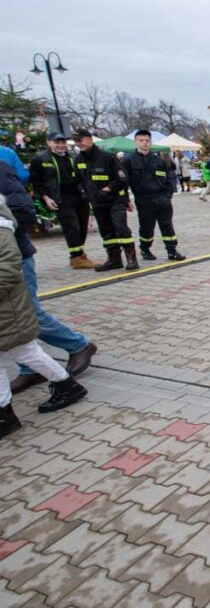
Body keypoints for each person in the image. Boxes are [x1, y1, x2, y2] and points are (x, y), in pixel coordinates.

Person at [0, 161, 97, 392]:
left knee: (25, 314)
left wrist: (5, 235)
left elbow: (23, 211)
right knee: (11, 321)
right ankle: (30, 368)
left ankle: (78, 345)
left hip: (12, 258)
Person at [0, 192, 89, 438]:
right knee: (14, 352)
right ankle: (4, 411)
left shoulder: (1, 226)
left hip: (7, 306)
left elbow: (8, 267)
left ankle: (66, 384)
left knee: (24, 350)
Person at [72, 130, 138, 272]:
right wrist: (84, 192)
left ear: (89, 139)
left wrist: (109, 188)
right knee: (106, 232)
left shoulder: (107, 157)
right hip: (97, 202)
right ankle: (114, 260)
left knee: (121, 228)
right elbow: (78, 181)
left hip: (115, 200)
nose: (79, 144)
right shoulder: (78, 160)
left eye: (81, 140)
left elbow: (122, 178)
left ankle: (131, 259)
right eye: (76, 141)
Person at [28, 132, 97, 269]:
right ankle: (77, 258)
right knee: (72, 227)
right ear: (49, 142)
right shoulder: (41, 159)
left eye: (63, 142)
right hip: (59, 198)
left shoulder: (74, 157)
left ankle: (78, 254)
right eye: (57, 142)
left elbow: (83, 176)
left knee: (82, 227)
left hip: (78, 196)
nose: (60, 145)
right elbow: (36, 182)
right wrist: (46, 198)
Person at [123, 130, 186, 262]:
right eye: (141, 140)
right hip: (144, 200)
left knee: (167, 226)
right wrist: (126, 199)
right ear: (136, 142)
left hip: (162, 199)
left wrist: (168, 195)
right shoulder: (129, 161)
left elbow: (169, 178)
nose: (145, 143)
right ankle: (145, 249)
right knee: (147, 227)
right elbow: (123, 182)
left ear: (151, 142)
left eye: (147, 140)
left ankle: (172, 251)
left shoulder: (159, 160)